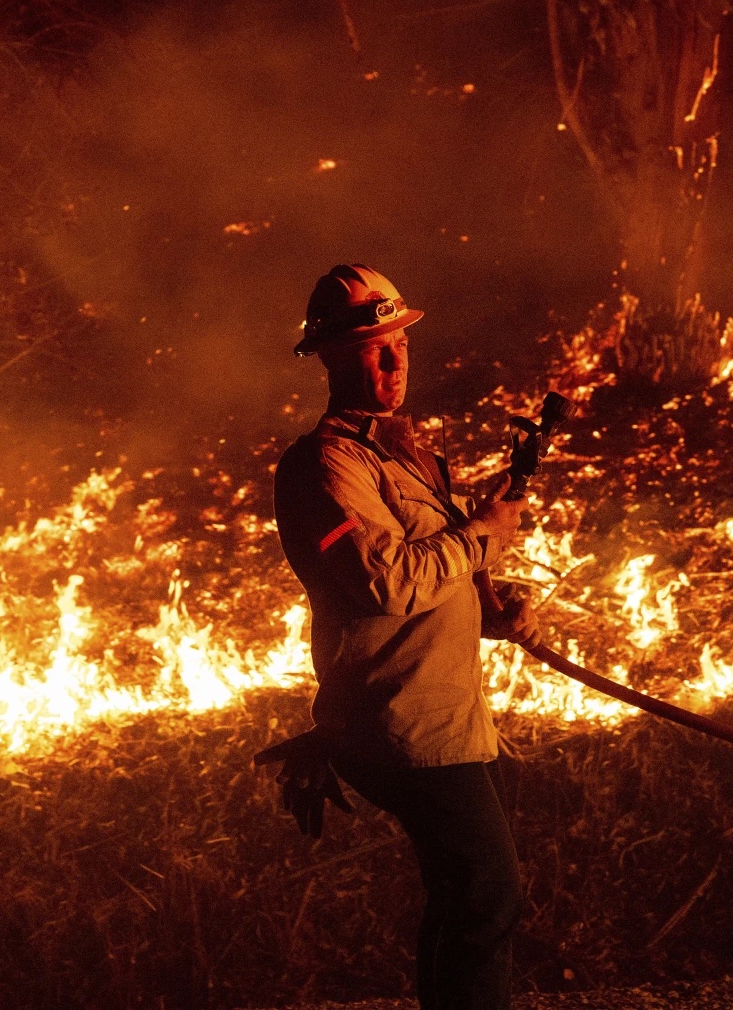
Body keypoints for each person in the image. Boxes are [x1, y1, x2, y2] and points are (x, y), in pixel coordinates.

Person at [258, 263, 539, 1010]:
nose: (392, 361)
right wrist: (481, 535)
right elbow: (386, 584)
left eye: (400, 344)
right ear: (328, 358)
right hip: (404, 726)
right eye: (370, 348)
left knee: (465, 899)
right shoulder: (325, 466)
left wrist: (491, 614)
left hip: (450, 715)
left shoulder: (400, 456)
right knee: (487, 894)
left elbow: (427, 584)